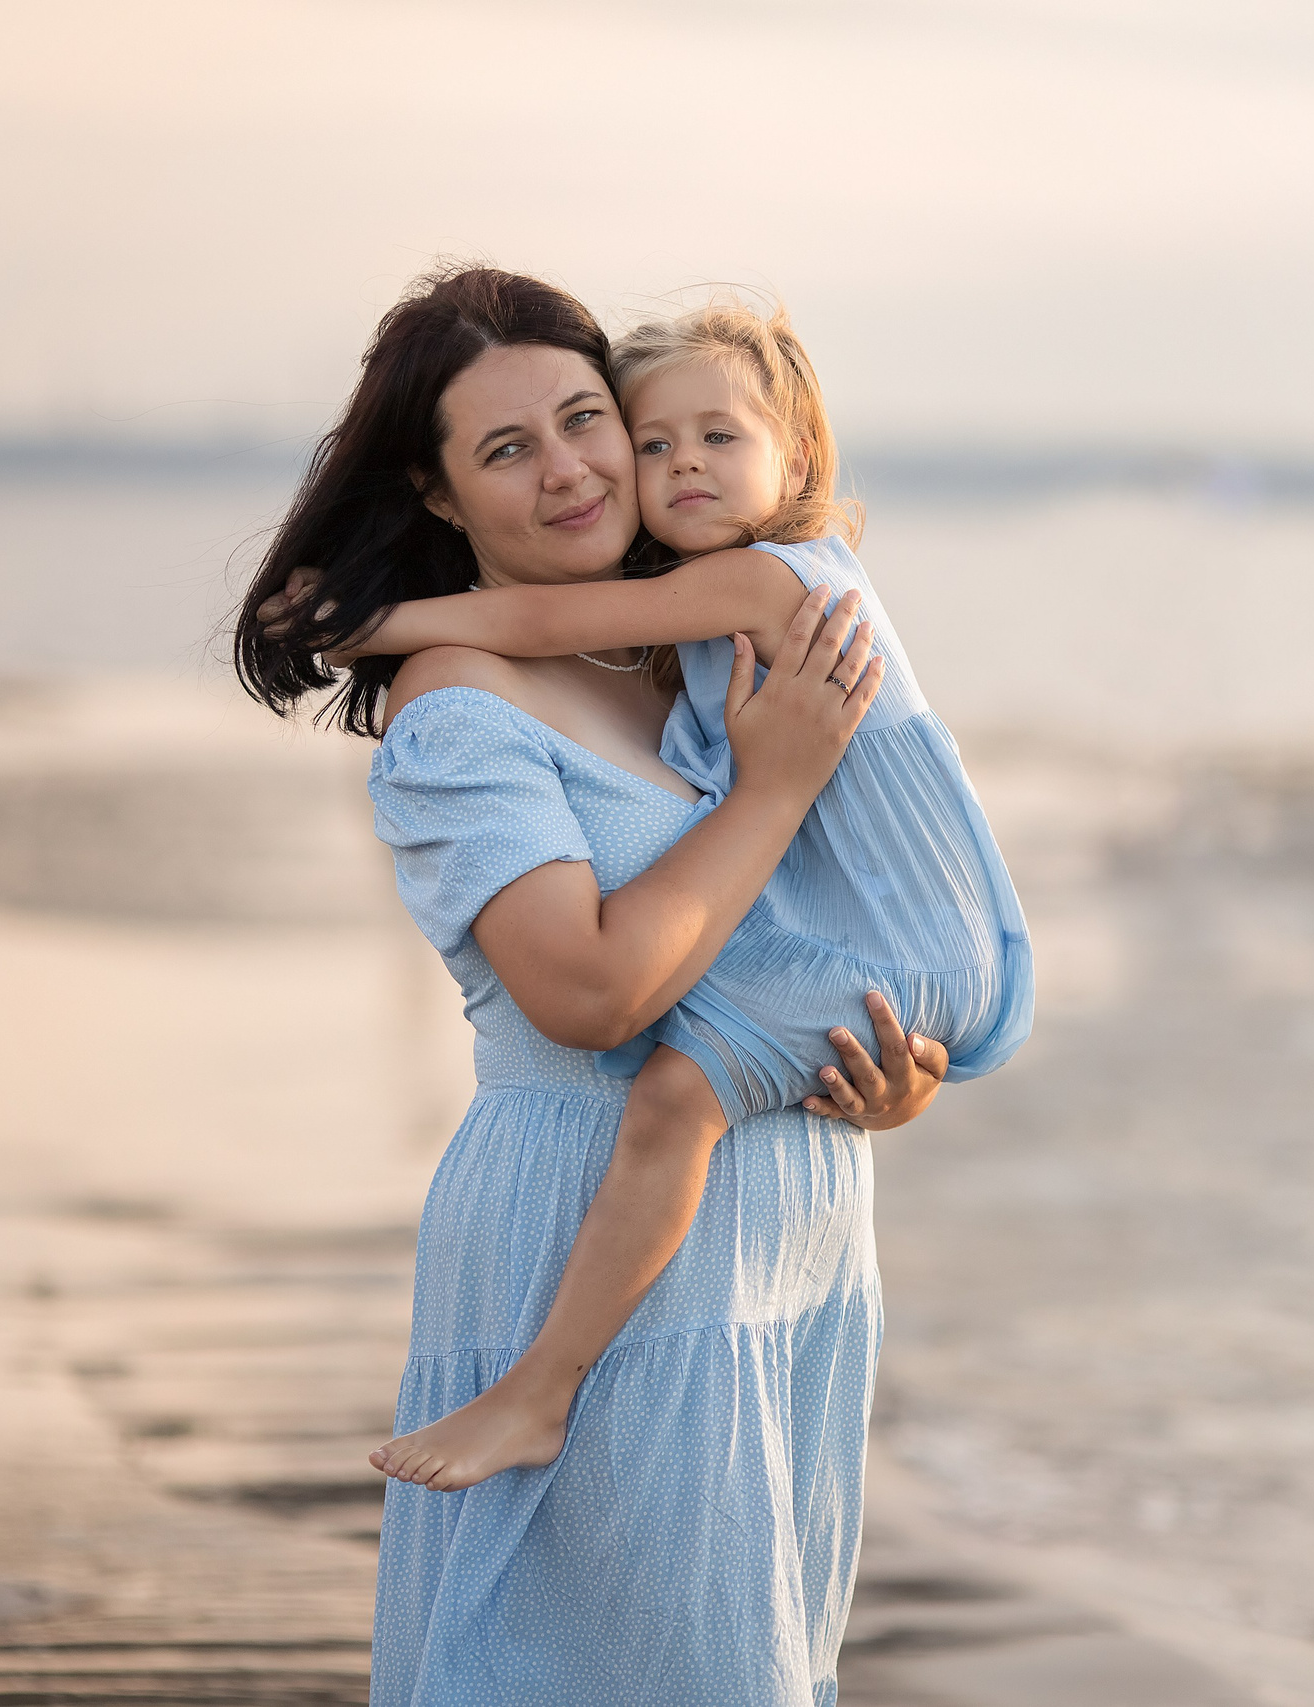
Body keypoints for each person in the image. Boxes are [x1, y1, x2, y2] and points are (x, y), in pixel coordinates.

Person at [237, 266, 949, 1705]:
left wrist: (890, 1070)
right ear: (439, 498)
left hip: (782, 1262)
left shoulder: (696, 658)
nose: (570, 470)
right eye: (507, 449)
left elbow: (804, 926)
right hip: (594, 1250)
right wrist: (779, 781)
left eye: (584, 420)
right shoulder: (456, 706)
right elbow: (594, 997)